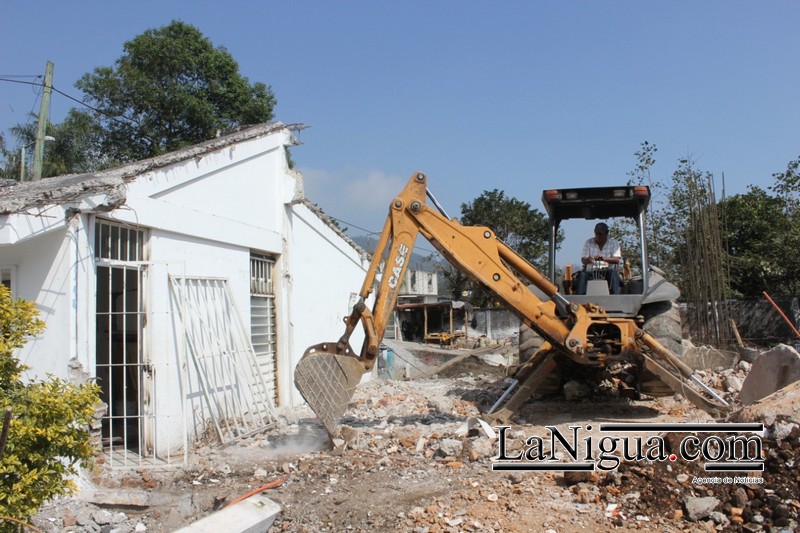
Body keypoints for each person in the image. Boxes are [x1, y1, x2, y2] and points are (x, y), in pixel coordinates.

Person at [575, 222, 622, 295]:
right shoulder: (588, 242)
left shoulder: (614, 243)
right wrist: (589, 259)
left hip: (607, 272)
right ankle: (580, 298)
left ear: (606, 233)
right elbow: (583, 260)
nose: (598, 236)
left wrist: (603, 259)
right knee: (582, 274)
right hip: (591, 272)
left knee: (613, 272)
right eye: (596, 233)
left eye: (600, 234)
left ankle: (614, 297)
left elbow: (617, 260)